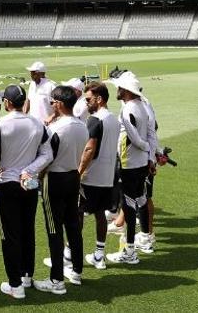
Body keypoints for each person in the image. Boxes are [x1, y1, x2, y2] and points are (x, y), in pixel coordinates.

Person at [0, 85, 52, 300]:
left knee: (9, 234)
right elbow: (48, 154)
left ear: (8, 103)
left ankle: (15, 284)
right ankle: (26, 275)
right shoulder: (37, 123)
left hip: (7, 183)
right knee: (27, 230)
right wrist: (29, 170)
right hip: (29, 184)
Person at [31, 86, 88, 294]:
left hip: (54, 178)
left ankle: (56, 279)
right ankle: (77, 271)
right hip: (73, 175)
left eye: (53, 102)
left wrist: (37, 174)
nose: (51, 105)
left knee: (54, 229)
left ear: (60, 104)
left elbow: (47, 157)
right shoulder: (82, 126)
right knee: (73, 225)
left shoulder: (57, 129)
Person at [105, 75, 151, 265]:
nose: (117, 91)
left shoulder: (128, 110)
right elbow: (151, 132)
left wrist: (147, 148)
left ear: (126, 91)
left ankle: (130, 252)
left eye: (119, 88)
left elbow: (135, 138)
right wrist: (151, 155)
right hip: (140, 163)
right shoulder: (143, 106)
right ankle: (144, 240)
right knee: (140, 200)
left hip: (129, 163)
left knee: (129, 205)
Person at [77, 82, 120, 270]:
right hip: (107, 176)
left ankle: (70, 255)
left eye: (88, 99)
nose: (86, 103)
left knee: (77, 213)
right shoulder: (114, 120)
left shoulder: (94, 120)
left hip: (91, 176)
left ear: (99, 99)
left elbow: (89, 149)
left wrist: (78, 173)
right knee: (100, 214)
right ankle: (99, 254)